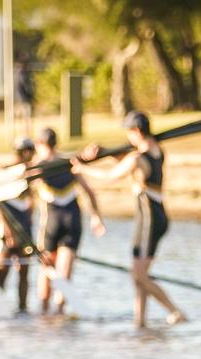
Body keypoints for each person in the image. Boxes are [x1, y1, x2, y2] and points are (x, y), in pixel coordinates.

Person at [73, 111, 186, 328]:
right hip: (157, 216)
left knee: (139, 275)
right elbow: (129, 158)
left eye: (129, 133)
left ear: (136, 131)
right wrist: (105, 152)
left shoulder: (136, 158)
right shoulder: (157, 150)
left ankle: (175, 311)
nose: (128, 137)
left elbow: (110, 176)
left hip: (149, 220)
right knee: (138, 275)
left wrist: (82, 169)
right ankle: (140, 322)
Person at [33, 127, 105, 315]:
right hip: (73, 220)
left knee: (46, 268)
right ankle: (59, 311)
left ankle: (43, 310)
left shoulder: (37, 165)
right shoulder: (70, 162)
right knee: (64, 272)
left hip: (51, 222)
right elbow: (90, 192)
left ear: (39, 144)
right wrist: (96, 217)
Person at [0, 137, 36, 314]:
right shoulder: (6, 173)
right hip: (7, 229)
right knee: (3, 271)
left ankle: (23, 309)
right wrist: (6, 228)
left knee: (24, 271)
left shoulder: (30, 173)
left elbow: (30, 200)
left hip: (25, 227)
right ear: (24, 152)